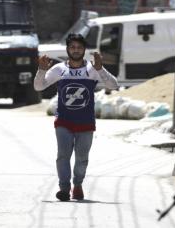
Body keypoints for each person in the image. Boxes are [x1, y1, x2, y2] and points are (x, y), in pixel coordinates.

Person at [34, 33, 118, 201]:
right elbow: (38, 86)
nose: (76, 50)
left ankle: (77, 184)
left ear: (84, 50)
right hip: (63, 121)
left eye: (79, 47)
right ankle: (64, 189)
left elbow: (114, 85)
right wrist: (41, 70)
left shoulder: (92, 70)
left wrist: (100, 69)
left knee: (82, 158)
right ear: (67, 49)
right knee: (63, 155)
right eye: (72, 47)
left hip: (86, 122)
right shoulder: (59, 69)